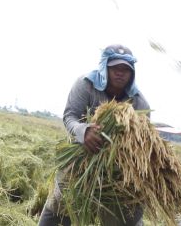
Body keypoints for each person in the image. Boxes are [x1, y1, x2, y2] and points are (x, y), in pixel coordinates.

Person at [38, 45, 150, 226]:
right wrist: (83, 132)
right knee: (61, 204)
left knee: (129, 214)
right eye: (115, 68)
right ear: (105, 67)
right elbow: (70, 116)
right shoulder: (86, 85)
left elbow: (142, 140)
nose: (120, 73)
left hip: (117, 168)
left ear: (132, 73)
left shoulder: (138, 102)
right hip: (80, 160)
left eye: (125, 70)